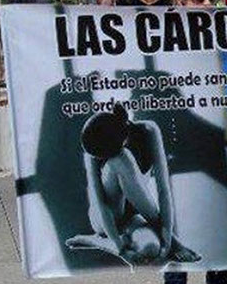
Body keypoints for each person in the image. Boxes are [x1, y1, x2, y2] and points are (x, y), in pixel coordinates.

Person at [153, 0, 227, 284]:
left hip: (219, 143)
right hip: (178, 145)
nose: (206, 3)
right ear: (184, 1)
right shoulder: (165, 42)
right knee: (178, 222)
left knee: (216, 221)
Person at [66, 103, 202, 264]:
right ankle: (94, 240)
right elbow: (101, 204)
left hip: (135, 215)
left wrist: (166, 241)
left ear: (124, 140)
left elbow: (163, 189)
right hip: (106, 217)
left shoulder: (148, 130)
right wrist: (121, 249)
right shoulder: (95, 149)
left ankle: (109, 240)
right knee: (122, 158)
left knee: (150, 248)